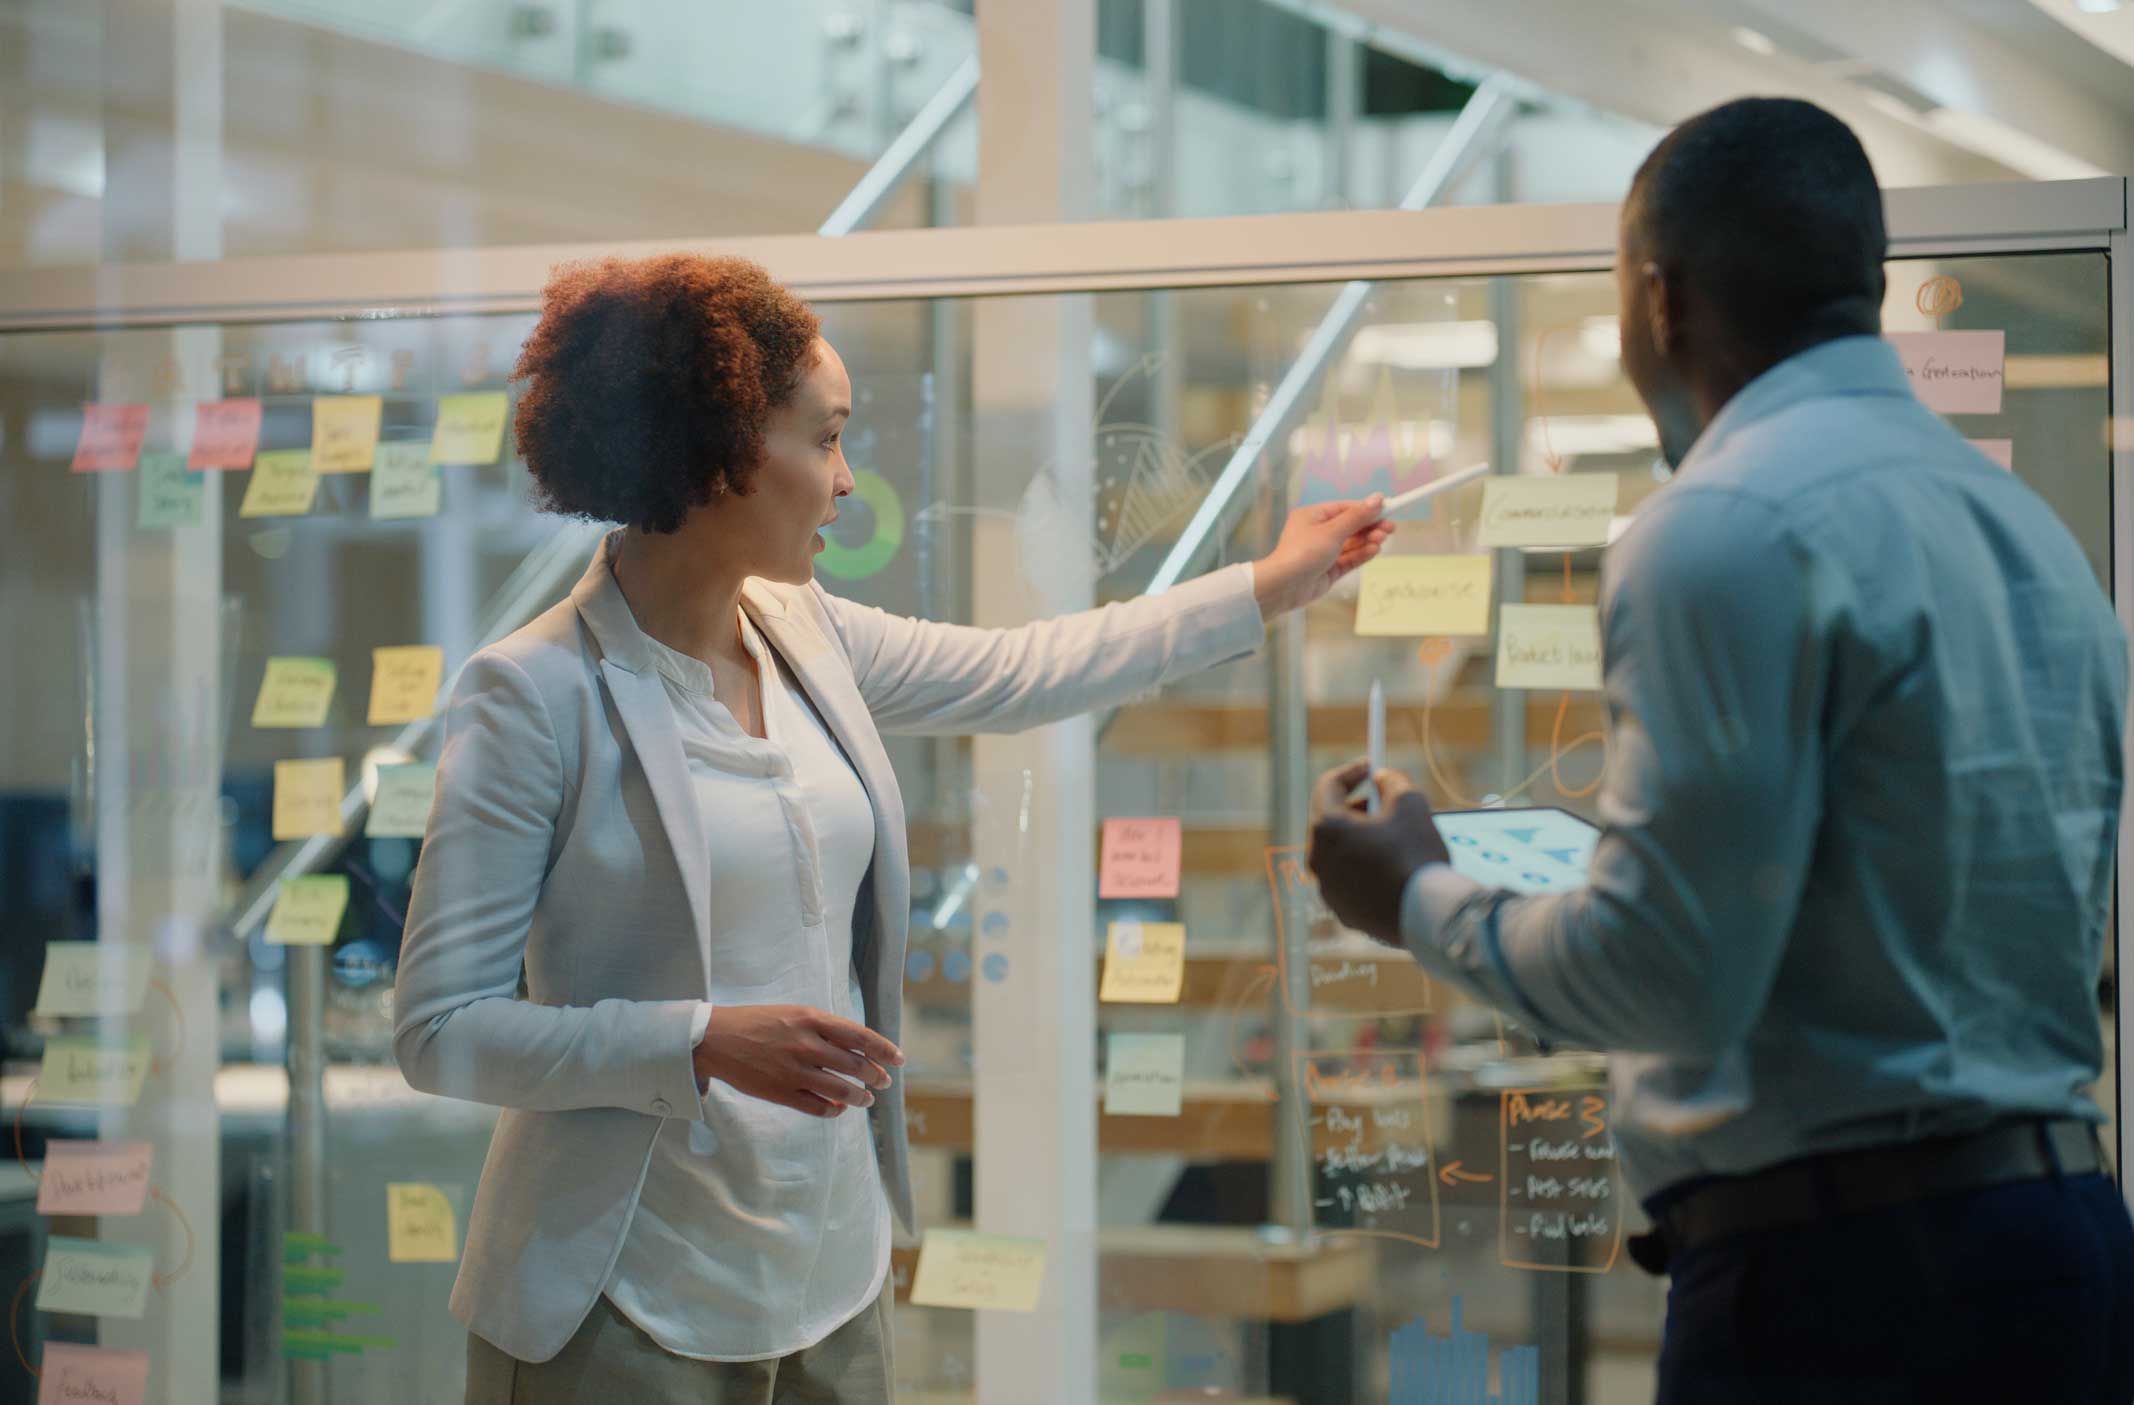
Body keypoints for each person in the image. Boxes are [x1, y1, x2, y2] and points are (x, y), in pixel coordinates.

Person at [391, 252, 1394, 1405]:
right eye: (824, 439)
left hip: (827, 1274)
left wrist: (1268, 581)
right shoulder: (532, 694)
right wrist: (697, 1037)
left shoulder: (807, 631)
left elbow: (1027, 669)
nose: (847, 478)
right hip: (624, 1294)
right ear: (716, 450)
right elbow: (441, 1030)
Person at [1306, 97, 2134, 1402]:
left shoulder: (1722, 526)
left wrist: (1410, 891)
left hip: (1847, 1293)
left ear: (1657, 298)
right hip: (2065, 1248)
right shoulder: (2031, 535)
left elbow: (1664, 973)